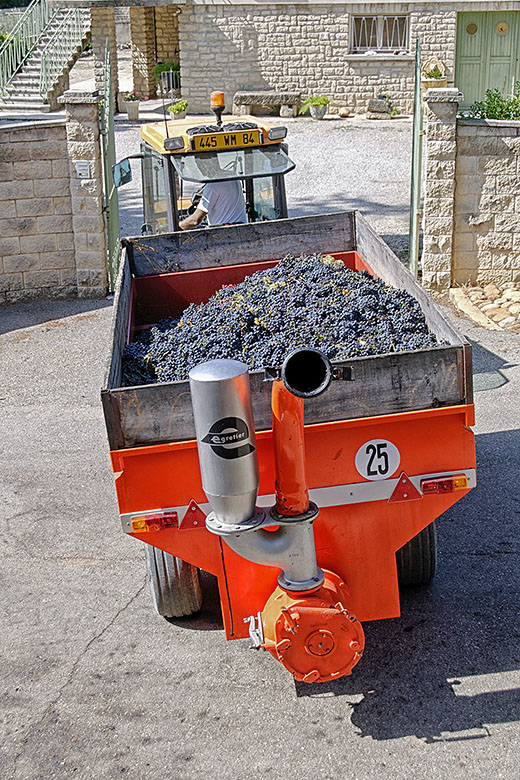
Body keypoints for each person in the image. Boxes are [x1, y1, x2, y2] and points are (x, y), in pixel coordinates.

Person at [179, 179, 247, 230]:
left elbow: (195, 220)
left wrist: (179, 226)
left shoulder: (213, 185)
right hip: (243, 230)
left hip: (223, 235)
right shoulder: (233, 178)